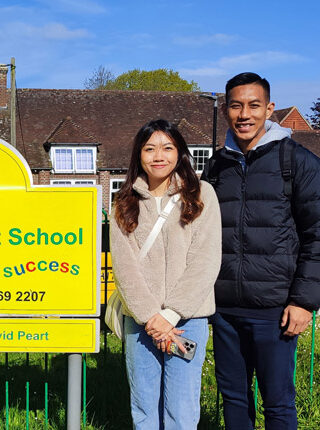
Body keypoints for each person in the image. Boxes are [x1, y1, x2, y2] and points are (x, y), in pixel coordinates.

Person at [203, 72, 320, 429]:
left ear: (269, 108)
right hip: (223, 308)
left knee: (278, 403)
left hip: (276, 308)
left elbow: (317, 233)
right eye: (236, 106)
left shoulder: (296, 162)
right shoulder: (216, 166)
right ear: (225, 110)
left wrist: (304, 301)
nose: (245, 114)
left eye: (254, 105)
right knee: (234, 400)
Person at [110, 119, 221, 429]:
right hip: (140, 322)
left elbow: (206, 259)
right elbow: (124, 266)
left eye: (167, 148)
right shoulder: (124, 201)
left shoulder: (202, 195)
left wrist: (170, 316)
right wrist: (151, 318)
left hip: (188, 321)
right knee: (143, 407)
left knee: (182, 411)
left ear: (180, 153)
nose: (159, 156)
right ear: (138, 155)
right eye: (150, 149)